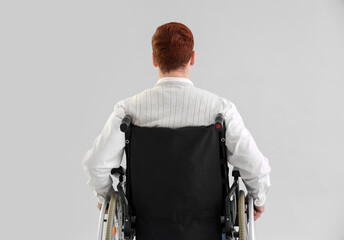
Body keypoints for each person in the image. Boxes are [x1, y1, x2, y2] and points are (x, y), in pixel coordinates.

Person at [82, 22, 271, 224]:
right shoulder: (220, 110)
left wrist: (109, 198)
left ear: (154, 59)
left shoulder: (129, 111)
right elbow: (256, 168)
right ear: (193, 58)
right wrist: (257, 199)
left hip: (147, 226)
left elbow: (95, 165)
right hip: (208, 226)